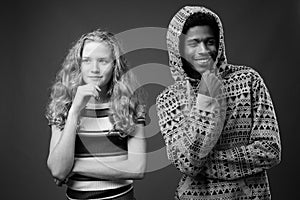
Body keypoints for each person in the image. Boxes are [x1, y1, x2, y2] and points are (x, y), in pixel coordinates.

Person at [156, 6, 281, 200]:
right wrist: (205, 101)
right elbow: (188, 163)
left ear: (219, 43)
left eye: (210, 42)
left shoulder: (248, 81)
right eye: (194, 43)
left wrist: (203, 166)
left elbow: (270, 150)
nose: (203, 51)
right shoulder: (169, 99)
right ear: (178, 48)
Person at [46, 29, 146, 200]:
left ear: (114, 65)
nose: (94, 69)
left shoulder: (130, 106)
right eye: (87, 61)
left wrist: (74, 166)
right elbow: (57, 169)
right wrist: (75, 111)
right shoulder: (63, 106)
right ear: (78, 64)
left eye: (103, 61)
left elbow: (137, 168)